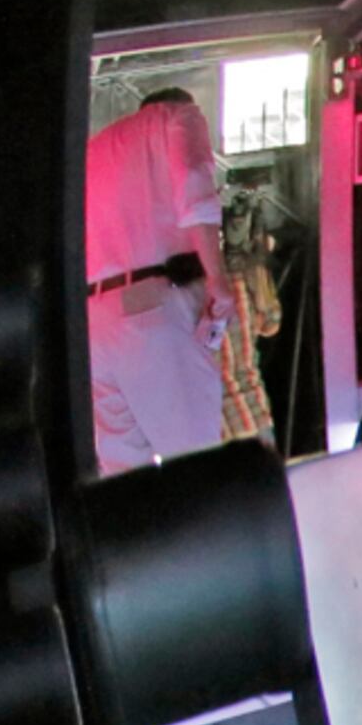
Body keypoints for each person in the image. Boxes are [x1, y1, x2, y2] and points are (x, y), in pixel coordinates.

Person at [83, 84, 237, 470]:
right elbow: (195, 184)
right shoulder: (177, 116)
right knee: (195, 464)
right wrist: (217, 278)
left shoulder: (93, 150)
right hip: (153, 310)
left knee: (124, 476)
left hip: (94, 322)